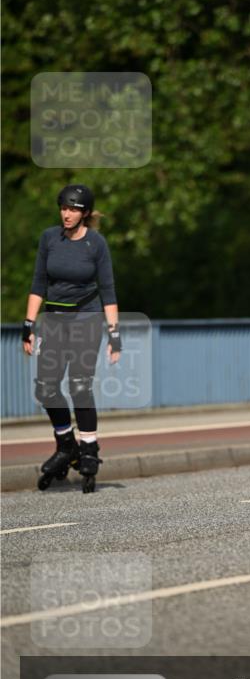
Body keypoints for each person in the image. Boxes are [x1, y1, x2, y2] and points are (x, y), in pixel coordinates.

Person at [22, 184, 121, 491]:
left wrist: (114, 334)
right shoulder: (49, 238)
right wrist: (28, 324)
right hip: (54, 321)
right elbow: (38, 283)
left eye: (74, 209)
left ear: (85, 213)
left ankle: (89, 448)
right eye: (64, 208)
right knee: (46, 388)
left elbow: (108, 291)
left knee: (79, 385)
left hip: (86, 320)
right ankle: (66, 445)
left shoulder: (96, 243)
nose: (67, 214)